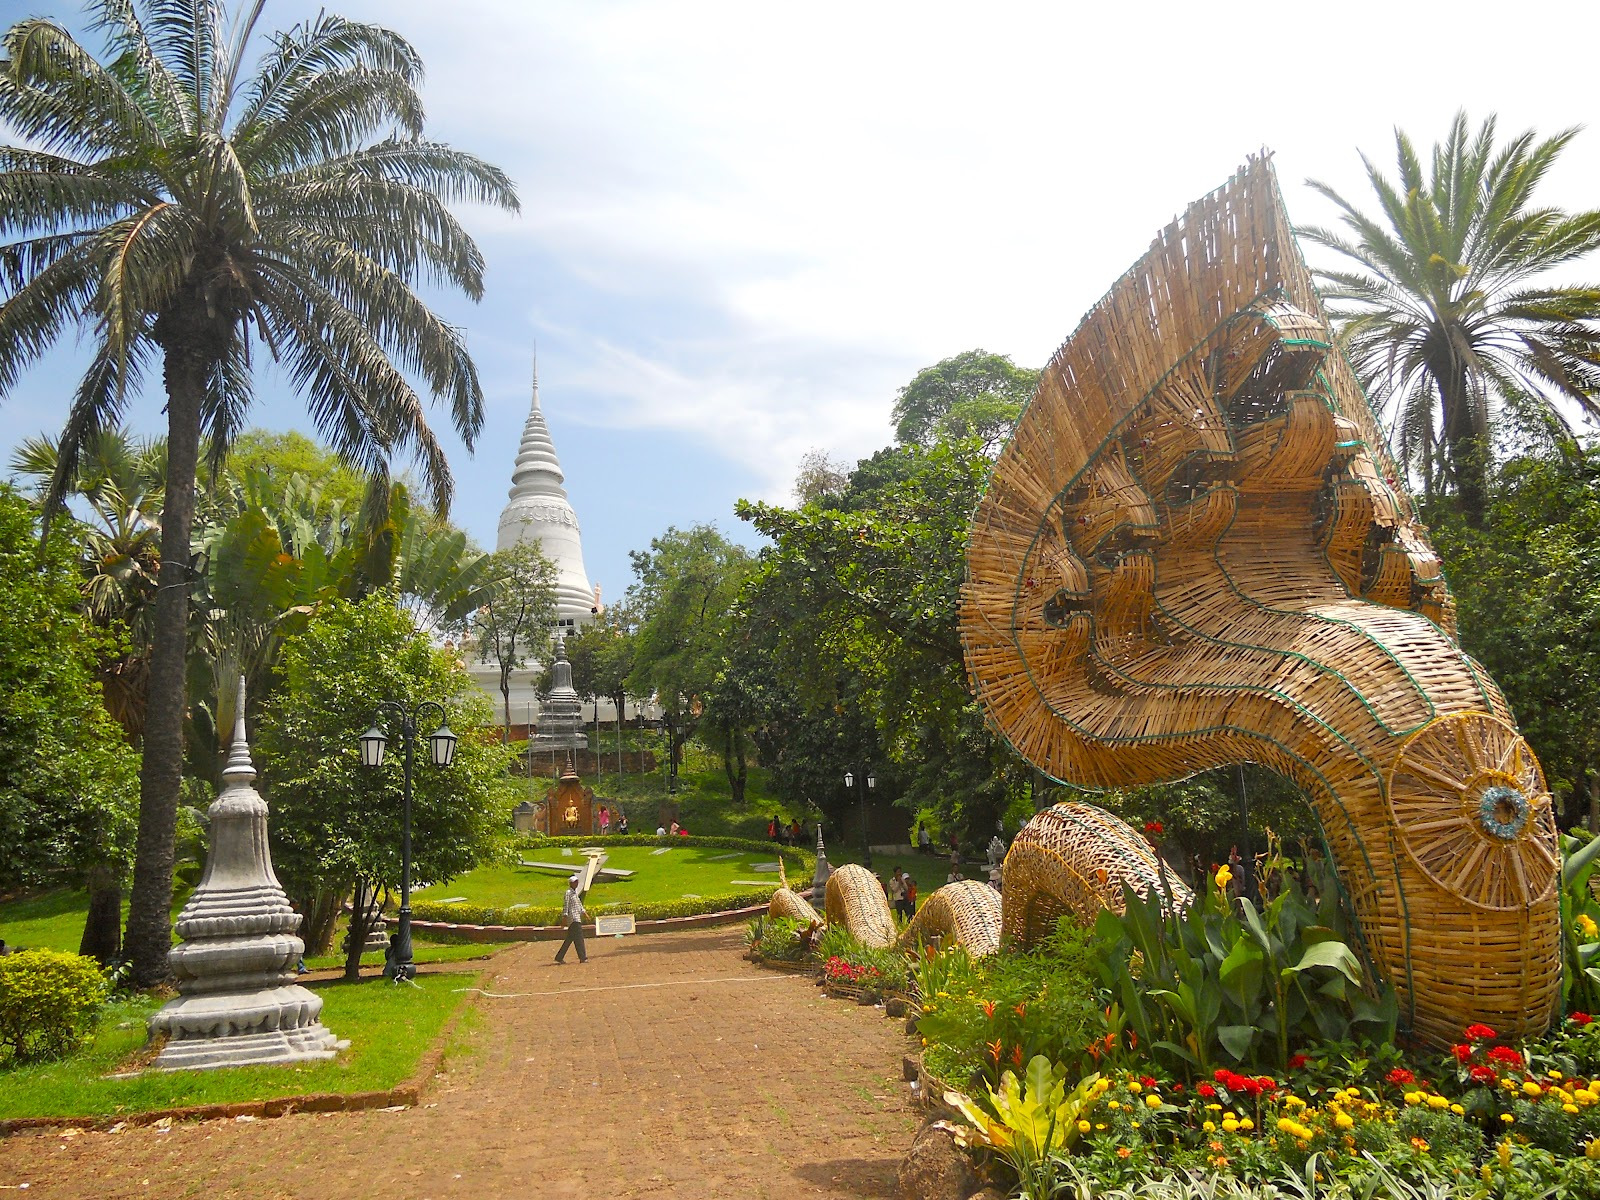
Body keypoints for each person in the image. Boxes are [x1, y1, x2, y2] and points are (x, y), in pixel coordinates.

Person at [555, 875, 588, 964]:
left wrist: (584, 912)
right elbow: (566, 905)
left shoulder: (575, 893)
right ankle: (583, 957)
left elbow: (578, 904)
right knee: (579, 938)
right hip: (573, 918)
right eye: (574, 882)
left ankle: (559, 957)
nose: (576, 883)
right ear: (571, 883)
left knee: (570, 939)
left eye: (577, 881)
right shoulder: (568, 893)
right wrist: (565, 917)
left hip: (576, 917)